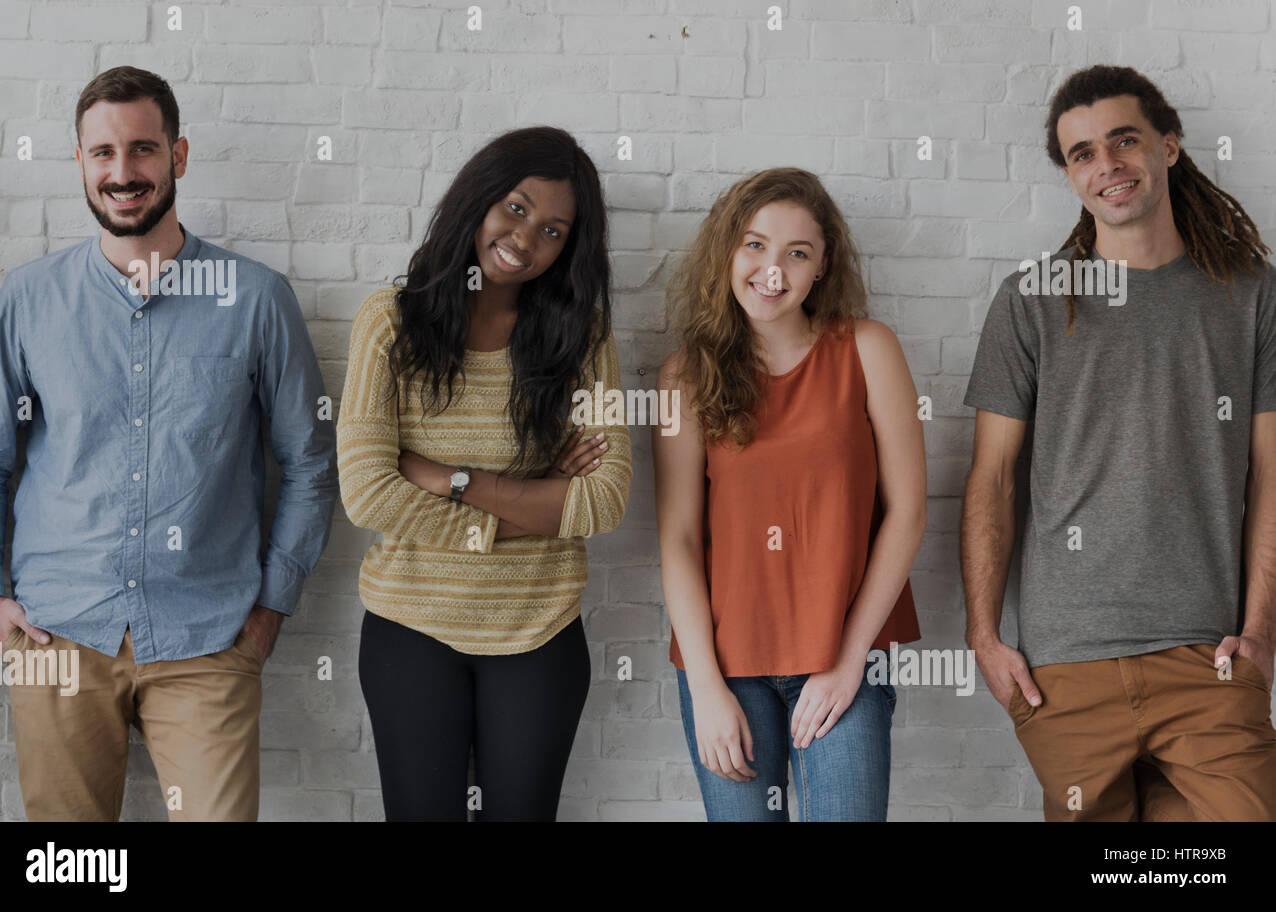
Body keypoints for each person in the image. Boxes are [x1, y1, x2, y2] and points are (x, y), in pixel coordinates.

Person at [0, 66, 338, 821]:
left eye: (142, 150)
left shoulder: (256, 299)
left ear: (178, 155)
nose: (122, 173)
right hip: (57, 635)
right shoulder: (30, 299)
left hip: (208, 638)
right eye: (102, 153)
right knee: (71, 869)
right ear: (79, 163)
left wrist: (273, 602)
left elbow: (309, 462)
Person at [962, 64, 1276, 821]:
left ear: (1169, 146)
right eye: (1082, 153)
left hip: (1208, 655)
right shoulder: (1030, 301)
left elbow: (1271, 477)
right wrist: (983, 637)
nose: (1107, 165)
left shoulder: (1253, 295)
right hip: (1066, 665)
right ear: (1070, 176)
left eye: (1124, 140)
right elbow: (992, 479)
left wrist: (1261, 633)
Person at [338, 126, 632, 822]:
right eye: (518, 207)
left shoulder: (584, 340)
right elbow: (367, 491)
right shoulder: (389, 325)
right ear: (479, 197)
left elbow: (605, 499)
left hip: (540, 633)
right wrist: (536, 503)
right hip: (411, 630)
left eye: (555, 230)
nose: (527, 238)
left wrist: (451, 478)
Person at [653, 168, 924, 821]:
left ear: (822, 266)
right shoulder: (683, 376)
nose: (772, 269)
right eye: (754, 245)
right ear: (727, 252)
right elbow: (680, 539)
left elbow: (909, 512)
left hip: (845, 653)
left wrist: (850, 659)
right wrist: (708, 688)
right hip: (725, 665)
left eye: (796, 253)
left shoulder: (867, 348)